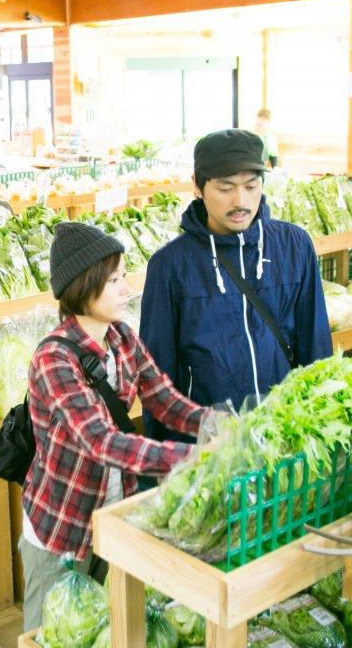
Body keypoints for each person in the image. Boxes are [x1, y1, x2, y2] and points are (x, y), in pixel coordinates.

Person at [20, 221, 207, 631]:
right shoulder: (54, 359)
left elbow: (165, 400)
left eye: (124, 277)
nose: (126, 289)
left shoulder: (122, 337)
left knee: (109, 632)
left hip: (114, 519)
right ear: (83, 288)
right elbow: (100, 442)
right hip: (62, 531)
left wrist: (214, 423)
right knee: (51, 636)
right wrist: (192, 457)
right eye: (114, 281)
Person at [139, 129, 331, 444]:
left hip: (285, 431)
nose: (240, 201)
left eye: (251, 186)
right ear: (197, 187)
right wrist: (167, 460)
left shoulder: (294, 246)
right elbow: (158, 378)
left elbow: (316, 346)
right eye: (225, 188)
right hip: (209, 445)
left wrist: (319, 427)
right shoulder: (171, 266)